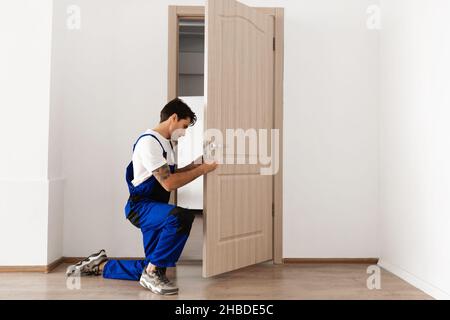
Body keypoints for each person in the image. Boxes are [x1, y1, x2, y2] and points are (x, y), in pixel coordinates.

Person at [66, 98, 218, 295]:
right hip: (142, 207)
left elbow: (172, 173)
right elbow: (169, 183)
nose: (185, 132)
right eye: (184, 126)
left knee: (153, 264)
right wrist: (203, 170)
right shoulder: (150, 142)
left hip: (155, 207)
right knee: (182, 217)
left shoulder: (167, 144)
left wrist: (198, 163)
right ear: (173, 118)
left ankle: (99, 265)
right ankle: (151, 273)